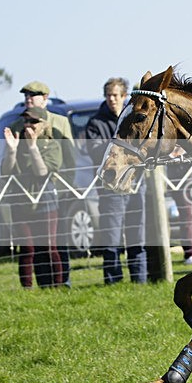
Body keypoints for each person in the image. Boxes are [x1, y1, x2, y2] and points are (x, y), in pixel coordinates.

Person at [86, 77, 148, 283]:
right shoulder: (95, 123)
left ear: (124, 96)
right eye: (109, 95)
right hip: (110, 188)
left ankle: (139, 280)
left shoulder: (133, 118)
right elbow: (95, 151)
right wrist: (120, 149)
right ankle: (112, 280)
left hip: (135, 184)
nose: (112, 99)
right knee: (111, 237)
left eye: (116, 95)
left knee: (137, 236)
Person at [15, 81, 74, 286]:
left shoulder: (60, 122)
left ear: (45, 98)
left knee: (56, 243)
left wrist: (68, 186)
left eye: (34, 94)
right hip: (29, 191)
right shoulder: (19, 123)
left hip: (56, 188)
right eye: (26, 95)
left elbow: (70, 157)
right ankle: (42, 283)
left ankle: (62, 282)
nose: (29, 98)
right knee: (34, 246)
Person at [2, 107, 63, 288]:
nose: (29, 125)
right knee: (27, 248)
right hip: (21, 200)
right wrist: (12, 150)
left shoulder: (52, 144)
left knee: (49, 247)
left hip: (45, 200)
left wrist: (33, 147)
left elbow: (42, 172)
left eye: (34, 122)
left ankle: (57, 286)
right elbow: (6, 171)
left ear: (44, 124)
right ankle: (27, 289)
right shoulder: (17, 141)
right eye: (26, 121)